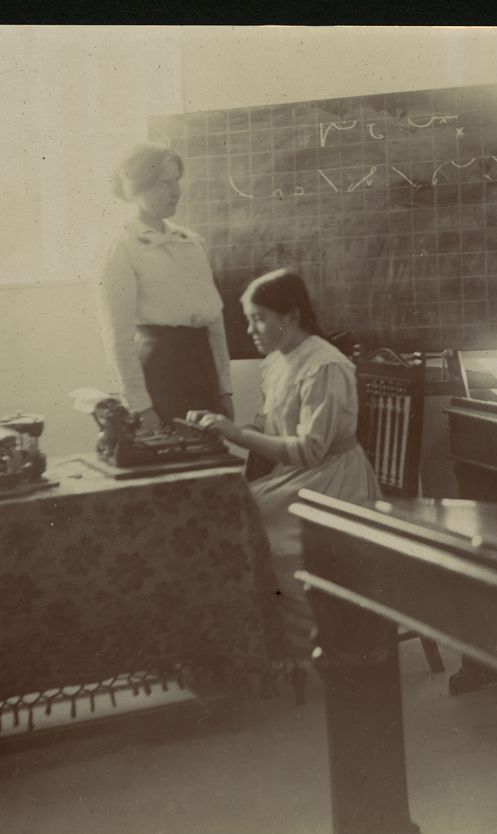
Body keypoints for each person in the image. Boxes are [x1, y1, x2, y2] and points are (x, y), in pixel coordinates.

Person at [187, 268, 380, 585]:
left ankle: (290, 622)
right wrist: (219, 426)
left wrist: (237, 433)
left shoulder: (325, 366)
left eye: (259, 318)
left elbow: (310, 450)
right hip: (299, 476)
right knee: (228, 513)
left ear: (290, 316)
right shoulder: (277, 361)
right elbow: (269, 428)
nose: (250, 329)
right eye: (249, 319)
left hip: (335, 484)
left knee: (241, 524)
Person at [95, 142, 234, 433]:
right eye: (163, 183)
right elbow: (117, 339)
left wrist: (224, 391)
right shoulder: (120, 246)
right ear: (137, 187)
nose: (175, 191)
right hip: (159, 377)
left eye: (176, 182)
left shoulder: (191, 242)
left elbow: (215, 324)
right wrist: (141, 406)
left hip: (202, 370)